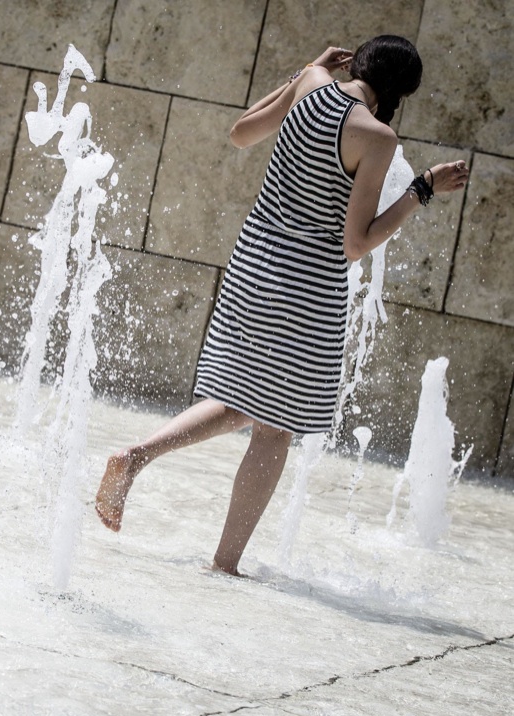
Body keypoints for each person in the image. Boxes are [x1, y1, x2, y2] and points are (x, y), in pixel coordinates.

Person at [94, 36, 469, 576]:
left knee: (245, 398)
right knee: (276, 425)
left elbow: (241, 131)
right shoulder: (376, 135)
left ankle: (135, 457)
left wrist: (306, 69)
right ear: (399, 92)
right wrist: (421, 190)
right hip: (307, 284)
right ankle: (225, 564)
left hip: (252, 259)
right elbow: (356, 244)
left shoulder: (311, 84)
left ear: (356, 64)